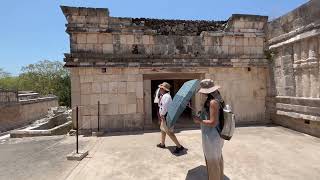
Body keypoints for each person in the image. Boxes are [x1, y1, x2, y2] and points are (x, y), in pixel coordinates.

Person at [193, 79, 224, 180]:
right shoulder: (217, 99)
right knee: (216, 159)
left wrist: (199, 121)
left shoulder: (213, 102)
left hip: (212, 136)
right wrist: (201, 115)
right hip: (213, 135)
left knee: (213, 162)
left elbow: (213, 122)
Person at [156, 82, 185, 154]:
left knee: (169, 132)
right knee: (162, 130)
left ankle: (179, 146)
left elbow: (164, 107)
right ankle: (162, 144)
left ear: (163, 89)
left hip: (166, 117)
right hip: (164, 116)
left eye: (161, 88)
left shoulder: (166, 96)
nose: (159, 89)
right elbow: (161, 105)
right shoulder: (164, 96)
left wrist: (162, 115)